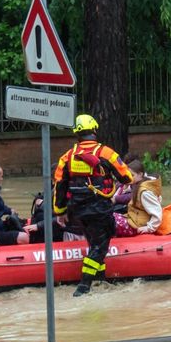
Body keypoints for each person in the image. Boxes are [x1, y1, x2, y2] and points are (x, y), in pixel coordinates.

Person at [53, 114, 133, 296]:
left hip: (78, 211)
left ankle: (101, 279)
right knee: (100, 247)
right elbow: (127, 177)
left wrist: (60, 211)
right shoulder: (107, 153)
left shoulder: (67, 157)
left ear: (77, 134)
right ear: (95, 130)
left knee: (94, 243)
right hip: (100, 209)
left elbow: (59, 186)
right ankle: (83, 286)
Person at [113, 159, 162, 237]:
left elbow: (157, 212)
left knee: (107, 219)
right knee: (105, 215)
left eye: (132, 175)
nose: (129, 177)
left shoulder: (145, 192)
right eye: (128, 175)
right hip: (133, 219)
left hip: (136, 226)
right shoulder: (138, 184)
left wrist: (149, 228)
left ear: (140, 174)